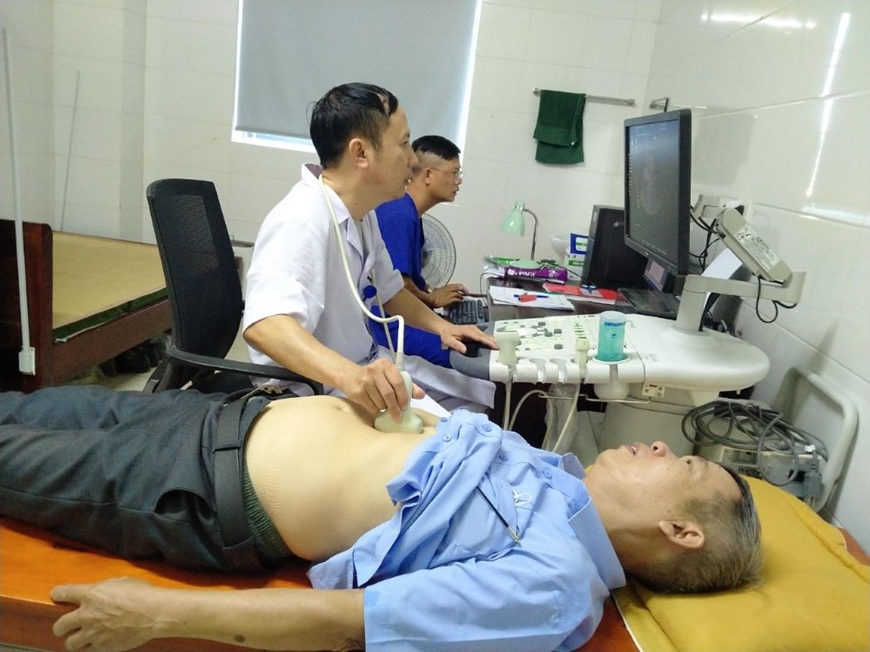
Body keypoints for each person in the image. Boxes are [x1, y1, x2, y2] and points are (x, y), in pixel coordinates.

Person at [0, 385, 763, 652]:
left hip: (190, 486)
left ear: (682, 532)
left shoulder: (554, 585)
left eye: (684, 465)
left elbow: (349, 622)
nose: (661, 445)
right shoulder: (557, 482)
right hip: (211, 416)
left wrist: (156, 615)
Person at [242, 83, 495, 419]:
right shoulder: (302, 218)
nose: (413, 160)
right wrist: (351, 376)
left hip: (363, 368)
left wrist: (442, 327)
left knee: (477, 404)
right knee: (458, 434)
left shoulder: (363, 215)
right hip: (313, 394)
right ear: (361, 153)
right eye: (403, 143)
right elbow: (265, 326)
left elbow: (391, 291)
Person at [371, 135, 470, 368]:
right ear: (428, 175)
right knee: (464, 353)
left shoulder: (409, 212)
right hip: (389, 326)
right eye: (454, 173)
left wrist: (431, 292)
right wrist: (431, 299)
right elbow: (398, 284)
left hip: (401, 318)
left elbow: (409, 276)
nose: (459, 181)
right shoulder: (400, 215)